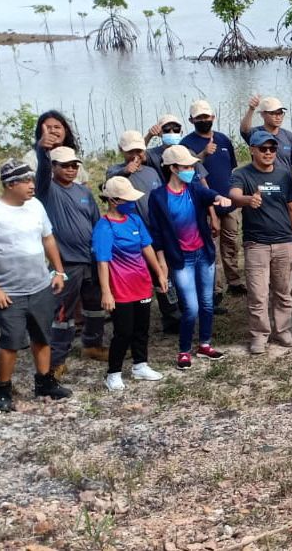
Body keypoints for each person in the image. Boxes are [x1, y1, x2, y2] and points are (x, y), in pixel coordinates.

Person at [0, 159, 72, 412]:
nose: (32, 186)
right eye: (26, 181)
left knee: (42, 335)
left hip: (39, 286)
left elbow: (48, 239)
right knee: (11, 341)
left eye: (32, 180)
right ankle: (2, 389)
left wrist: (58, 271)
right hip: (9, 292)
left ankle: (44, 382)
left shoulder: (36, 206)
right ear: (10, 184)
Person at [149, 145, 231, 368]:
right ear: (173, 168)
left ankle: (205, 344)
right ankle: (184, 350)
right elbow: (156, 233)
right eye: (186, 166)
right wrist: (162, 263)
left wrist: (218, 197)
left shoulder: (194, 189)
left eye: (191, 166)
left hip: (203, 254)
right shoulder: (158, 197)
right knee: (191, 307)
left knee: (206, 304)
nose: (191, 170)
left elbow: (208, 194)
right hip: (180, 259)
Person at [229, 130, 292, 355]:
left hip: (284, 243)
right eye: (263, 149)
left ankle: (282, 331)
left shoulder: (284, 175)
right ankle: (259, 336)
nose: (269, 153)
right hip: (256, 244)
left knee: (283, 292)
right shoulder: (242, 174)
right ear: (252, 150)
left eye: (273, 149)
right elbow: (233, 195)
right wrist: (247, 199)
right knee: (258, 294)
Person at [33, 142, 105, 375]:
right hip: (66, 263)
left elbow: (96, 221)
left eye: (74, 165)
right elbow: (41, 174)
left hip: (90, 260)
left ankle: (92, 345)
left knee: (95, 307)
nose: (71, 169)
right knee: (62, 313)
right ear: (53, 167)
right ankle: (56, 360)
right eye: (64, 166)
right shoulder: (48, 189)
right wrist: (42, 151)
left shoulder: (83, 191)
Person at [93, 177, 169, 392]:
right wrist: (106, 292)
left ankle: (140, 365)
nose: (132, 203)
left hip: (142, 283)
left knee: (141, 328)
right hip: (121, 288)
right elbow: (103, 262)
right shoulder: (104, 227)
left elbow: (147, 248)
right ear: (114, 200)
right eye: (127, 199)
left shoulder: (134, 220)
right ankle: (113, 373)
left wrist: (160, 273)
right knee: (123, 331)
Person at [107, 130, 182, 337]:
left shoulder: (150, 172)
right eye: (130, 151)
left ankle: (172, 316)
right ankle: (132, 320)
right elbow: (109, 186)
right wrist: (126, 172)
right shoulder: (115, 172)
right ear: (122, 151)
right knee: (137, 277)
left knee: (165, 276)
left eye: (139, 150)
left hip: (157, 232)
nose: (135, 155)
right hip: (131, 238)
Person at [182, 100, 242, 300]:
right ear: (191, 120)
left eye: (206, 117)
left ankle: (234, 280)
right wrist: (203, 155)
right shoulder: (186, 144)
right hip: (204, 204)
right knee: (211, 247)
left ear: (213, 117)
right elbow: (188, 172)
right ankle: (215, 289)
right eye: (199, 118)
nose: (203, 120)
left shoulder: (224, 140)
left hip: (229, 202)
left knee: (231, 243)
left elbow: (232, 169)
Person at [240, 96, 292, 174]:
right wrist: (251, 109)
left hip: (285, 182)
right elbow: (244, 130)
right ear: (263, 114)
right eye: (273, 113)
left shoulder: (290, 136)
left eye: (280, 113)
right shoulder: (256, 133)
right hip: (262, 182)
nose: (278, 117)